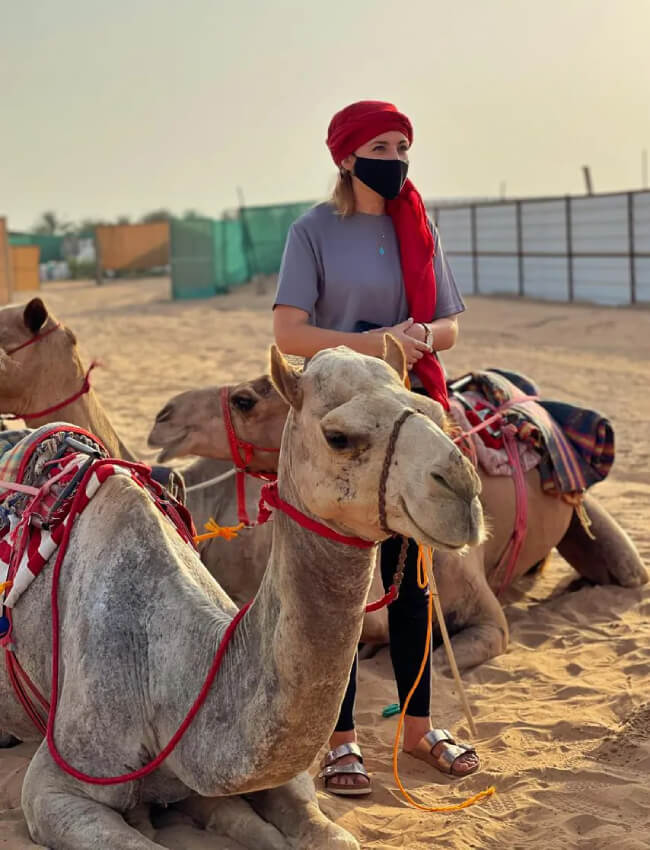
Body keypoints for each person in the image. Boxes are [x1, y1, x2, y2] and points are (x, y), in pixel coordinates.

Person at [272, 100, 479, 796]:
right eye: (382, 146)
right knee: (338, 586)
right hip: (340, 424)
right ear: (347, 156)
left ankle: (419, 731)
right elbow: (289, 335)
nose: (396, 158)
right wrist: (367, 344)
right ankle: (340, 741)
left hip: (408, 403)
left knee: (411, 578)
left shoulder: (417, 228)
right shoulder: (313, 232)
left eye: (402, 145)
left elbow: (446, 327)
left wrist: (414, 339)